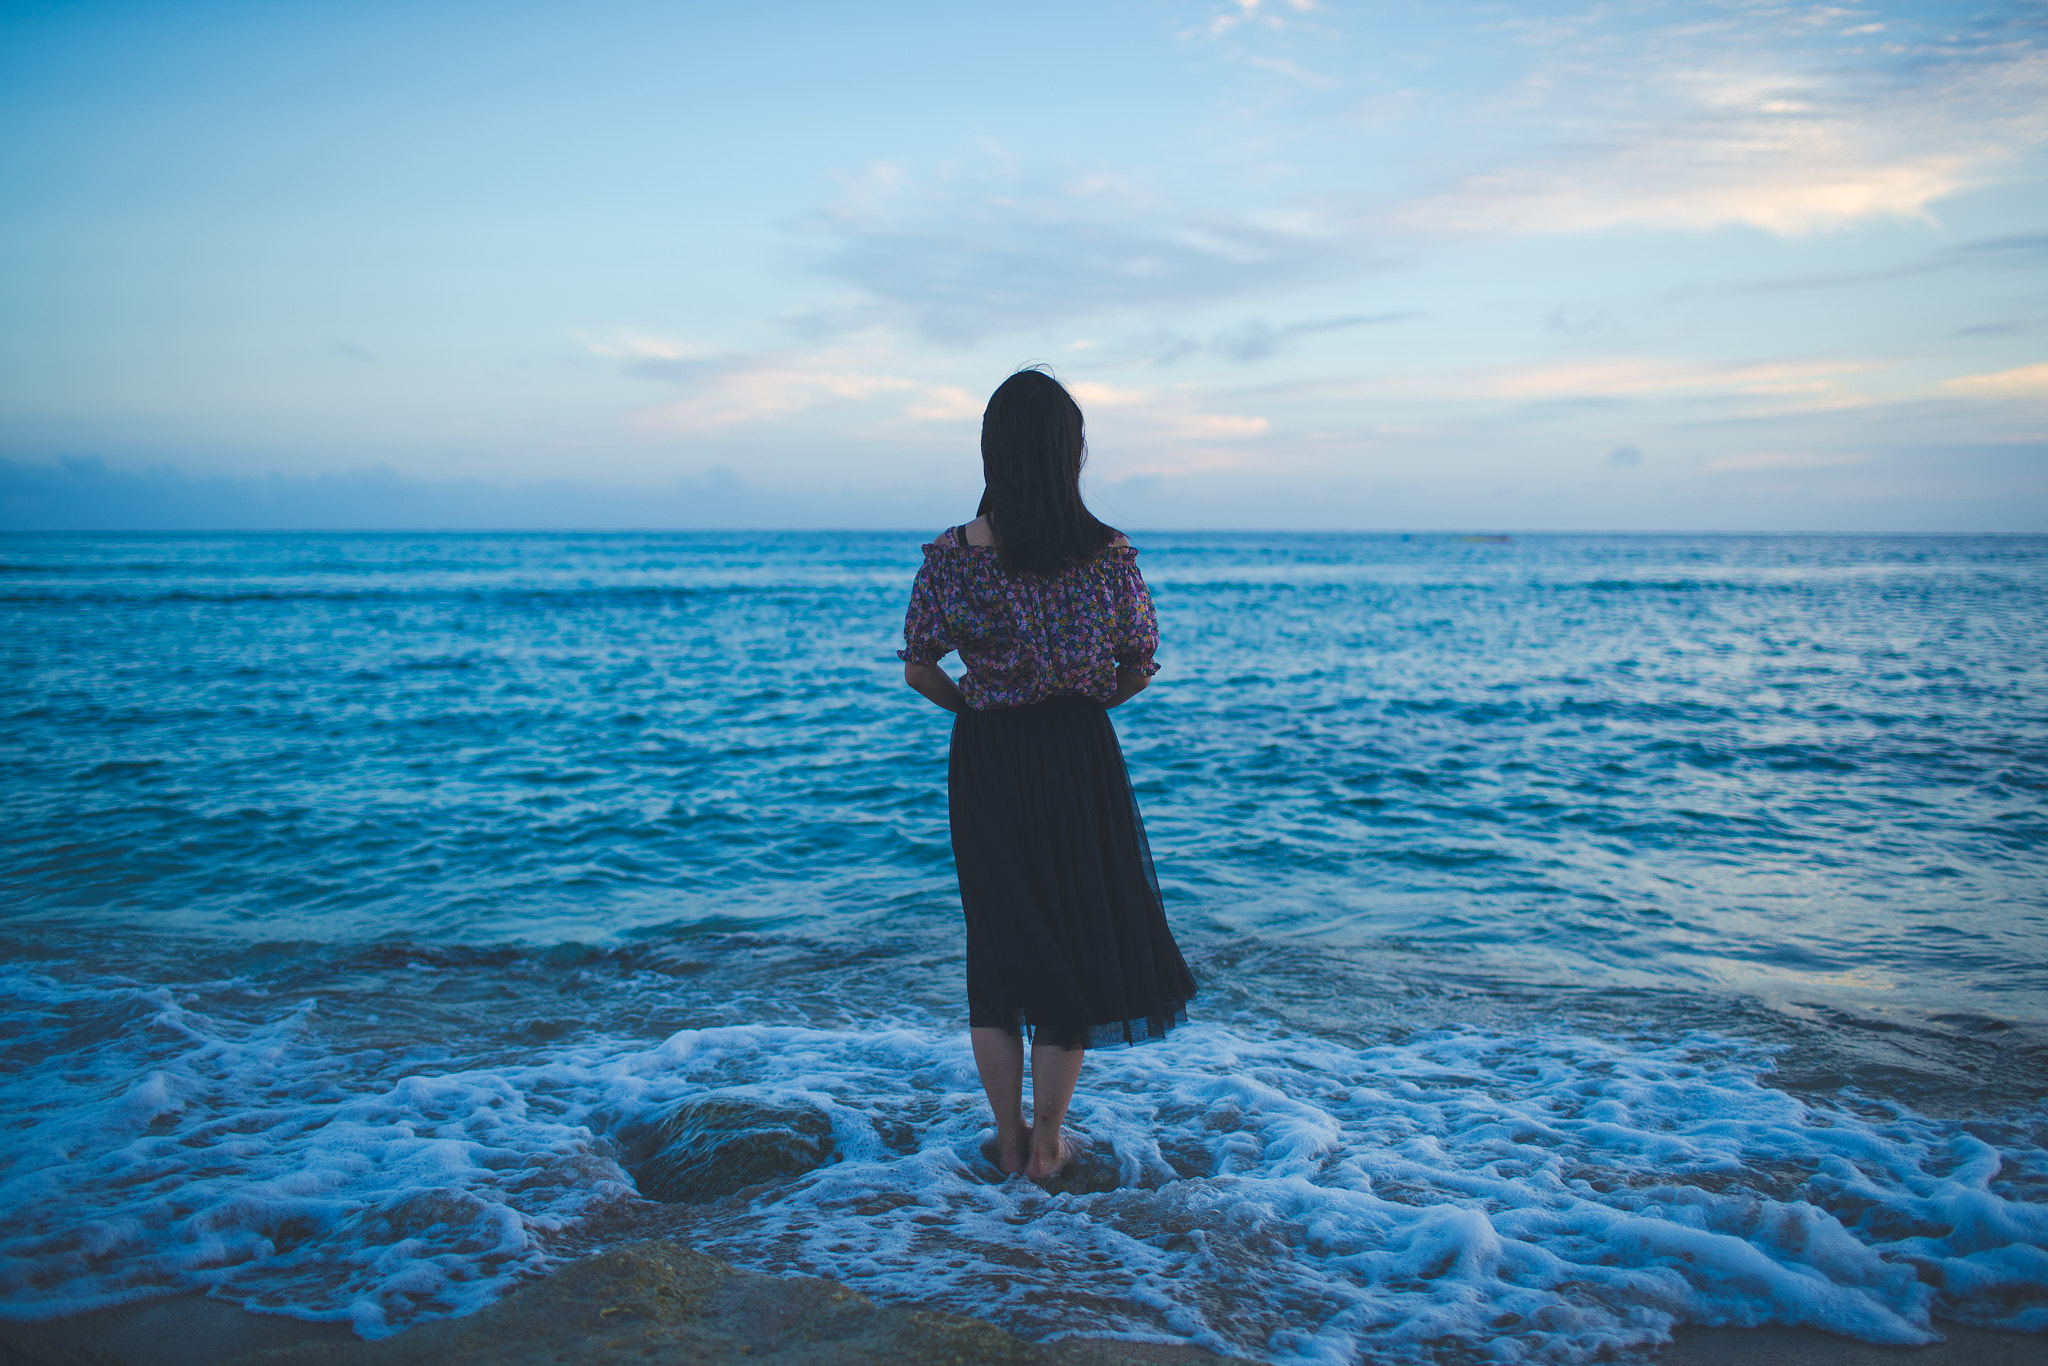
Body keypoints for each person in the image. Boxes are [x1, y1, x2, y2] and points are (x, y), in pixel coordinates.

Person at [899, 367, 1197, 1182]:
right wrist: (1088, 699)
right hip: (1077, 751)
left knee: (998, 946)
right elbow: (1139, 663)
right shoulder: (1107, 554)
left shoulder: (952, 557)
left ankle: (1005, 1134)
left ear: (993, 450)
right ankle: (1050, 1144)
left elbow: (920, 667)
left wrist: (974, 707)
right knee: (1072, 933)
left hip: (990, 752)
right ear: (1072, 454)